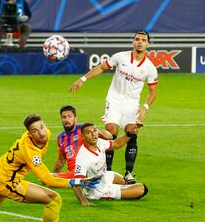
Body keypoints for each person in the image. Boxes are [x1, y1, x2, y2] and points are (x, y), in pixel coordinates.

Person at [70, 30, 158, 183]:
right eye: (137, 39)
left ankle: (129, 173)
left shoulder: (150, 68)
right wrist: (82, 79)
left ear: (148, 44)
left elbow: (153, 93)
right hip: (114, 100)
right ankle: (107, 172)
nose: (139, 42)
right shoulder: (120, 57)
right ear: (133, 41)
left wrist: (144, 108)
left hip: (132, 104)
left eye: (143, 40)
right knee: (111, 132)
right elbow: (101, 68)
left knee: (132, 132)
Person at [72, 123, 148, 206]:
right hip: (100, 190)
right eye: (88, 133)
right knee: (142, 189)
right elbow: (76, 183)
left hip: (104, 176)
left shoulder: (99, 142)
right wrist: (83, 201)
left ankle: (122, 188)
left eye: (95, 131)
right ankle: (110, 192)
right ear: (83, 137)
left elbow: (117, 144)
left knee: (123, 180)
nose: (94, 134)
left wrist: (130, 133)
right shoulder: (83, 157)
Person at [53, 105, 112, 178]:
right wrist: (53, 174)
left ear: (76, 118)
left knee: (54, 177)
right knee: (51, 177)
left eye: (69, 116)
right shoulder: (60, 138)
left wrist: (98, 131)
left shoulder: (84, 130)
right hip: (73, 173)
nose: (66, 120)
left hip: (87, 170)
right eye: (64, 117)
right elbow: (61, 160)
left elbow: (109, 136)